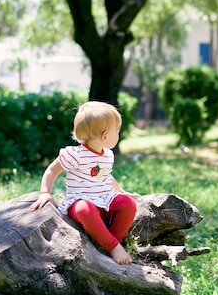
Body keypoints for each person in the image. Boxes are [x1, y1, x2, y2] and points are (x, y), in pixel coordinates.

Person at [31, 101, 138, 264]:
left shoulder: (107, 155)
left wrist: (122, 193)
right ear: (105, 135)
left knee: (128, 204)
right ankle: (112, 246)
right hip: (82, 202)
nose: (119, 133)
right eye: (117, 130)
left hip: (104, 200)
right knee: (85, 209)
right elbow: (52, 170)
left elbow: (106, 176)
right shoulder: (74, 155)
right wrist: (45, 192)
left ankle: (109, 244)